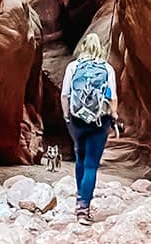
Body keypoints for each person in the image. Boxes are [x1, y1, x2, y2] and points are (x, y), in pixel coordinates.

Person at [61, 33, 118, 224]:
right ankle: (83, 207)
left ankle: (79, 200)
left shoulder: (73, 67)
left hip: (77, 121)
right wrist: (114, 116)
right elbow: (113, 98)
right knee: (91, 165)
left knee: (80, 158)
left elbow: (65, 94)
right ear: (99, 49)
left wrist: (67, 116)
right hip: (100, 121)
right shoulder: (107, 68)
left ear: (83, 46)